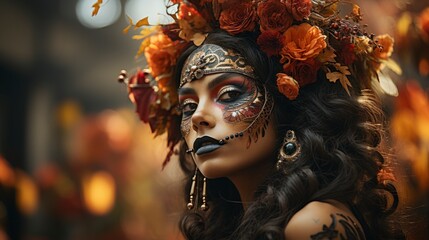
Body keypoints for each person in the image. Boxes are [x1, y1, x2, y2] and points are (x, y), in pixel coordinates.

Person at [116, 0, 405, 239]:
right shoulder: (238, 223)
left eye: (229, 95)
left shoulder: (314, 224)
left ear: (284, 103)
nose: (199, 118)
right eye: (188, 106)